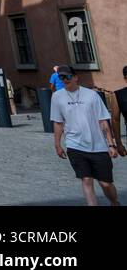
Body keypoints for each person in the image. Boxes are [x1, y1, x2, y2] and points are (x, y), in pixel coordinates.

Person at [50, 65, 118, 206]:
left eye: (68, 76)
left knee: (105, 184)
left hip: (98, 146)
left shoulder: (92, 95)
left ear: (75, 77)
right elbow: (58, 122)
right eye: (61, 77)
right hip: (75, 145)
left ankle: (114, 202)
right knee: (86, 180)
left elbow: (103, 121)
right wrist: (57, 144)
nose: (65, 79)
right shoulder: (57, 97)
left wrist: (111, 144)